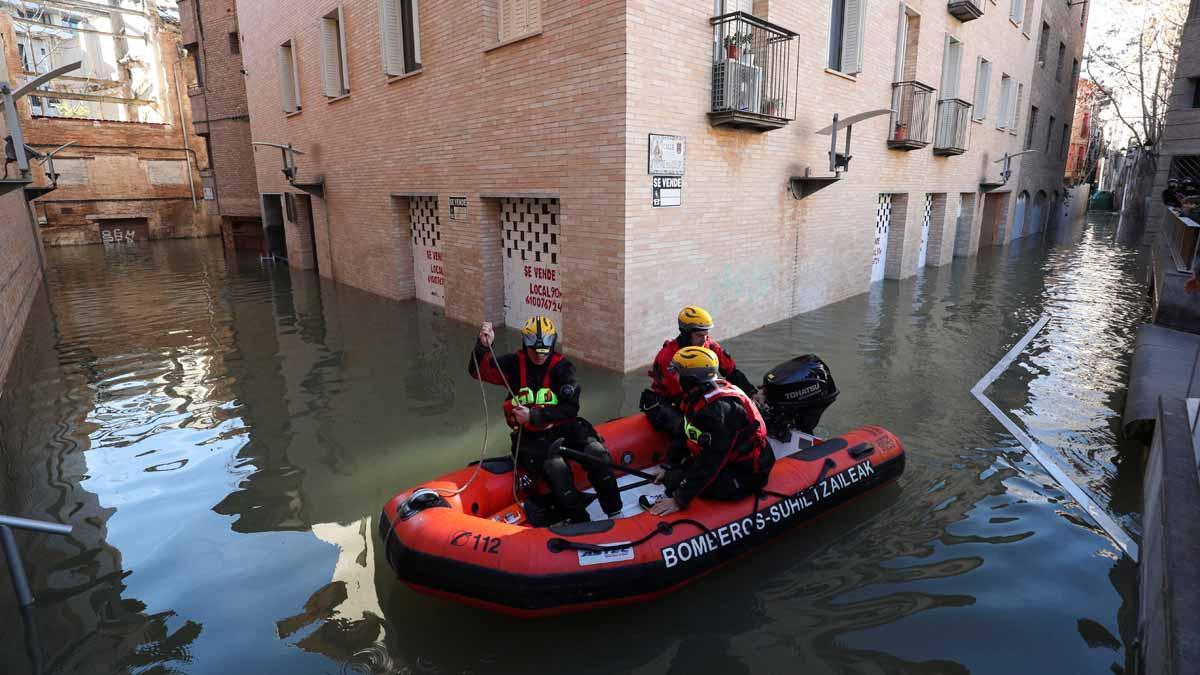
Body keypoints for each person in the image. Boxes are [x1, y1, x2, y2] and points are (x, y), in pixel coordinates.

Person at [469, 315, 622, 524]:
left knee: (597, 454)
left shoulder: (563, 368)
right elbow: (478, 371)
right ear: (526, 345)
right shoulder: (515, 364)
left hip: (564, 428)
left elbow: (571, 408)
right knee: (556, 470)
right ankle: (581, 520)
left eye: (544, 351)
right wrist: (483, 346)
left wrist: (534, 415)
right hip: (532, 436)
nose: (540, 356)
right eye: (535, 350)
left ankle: (615, 511)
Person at [648, 346, 775, 516]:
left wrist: (679, 500)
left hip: (746, 473)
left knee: (675, 480)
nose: (675, 377)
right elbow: (685, 431)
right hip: (729, 460)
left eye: (678, 373)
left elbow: (713, 459)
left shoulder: (718, 412)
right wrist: (668, 464)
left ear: (691, 379)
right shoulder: (696, 397)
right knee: (674, 474)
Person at [640, 305, 762, 435]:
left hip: (700, 393)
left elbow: (731, 371)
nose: (704, 340)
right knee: (689, 430)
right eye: (699, 335)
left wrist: (751, 393)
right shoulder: (668, 358)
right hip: (673, 401)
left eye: (706, 334)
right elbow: (680, 395)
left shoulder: (708, 345)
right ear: (686, 335)